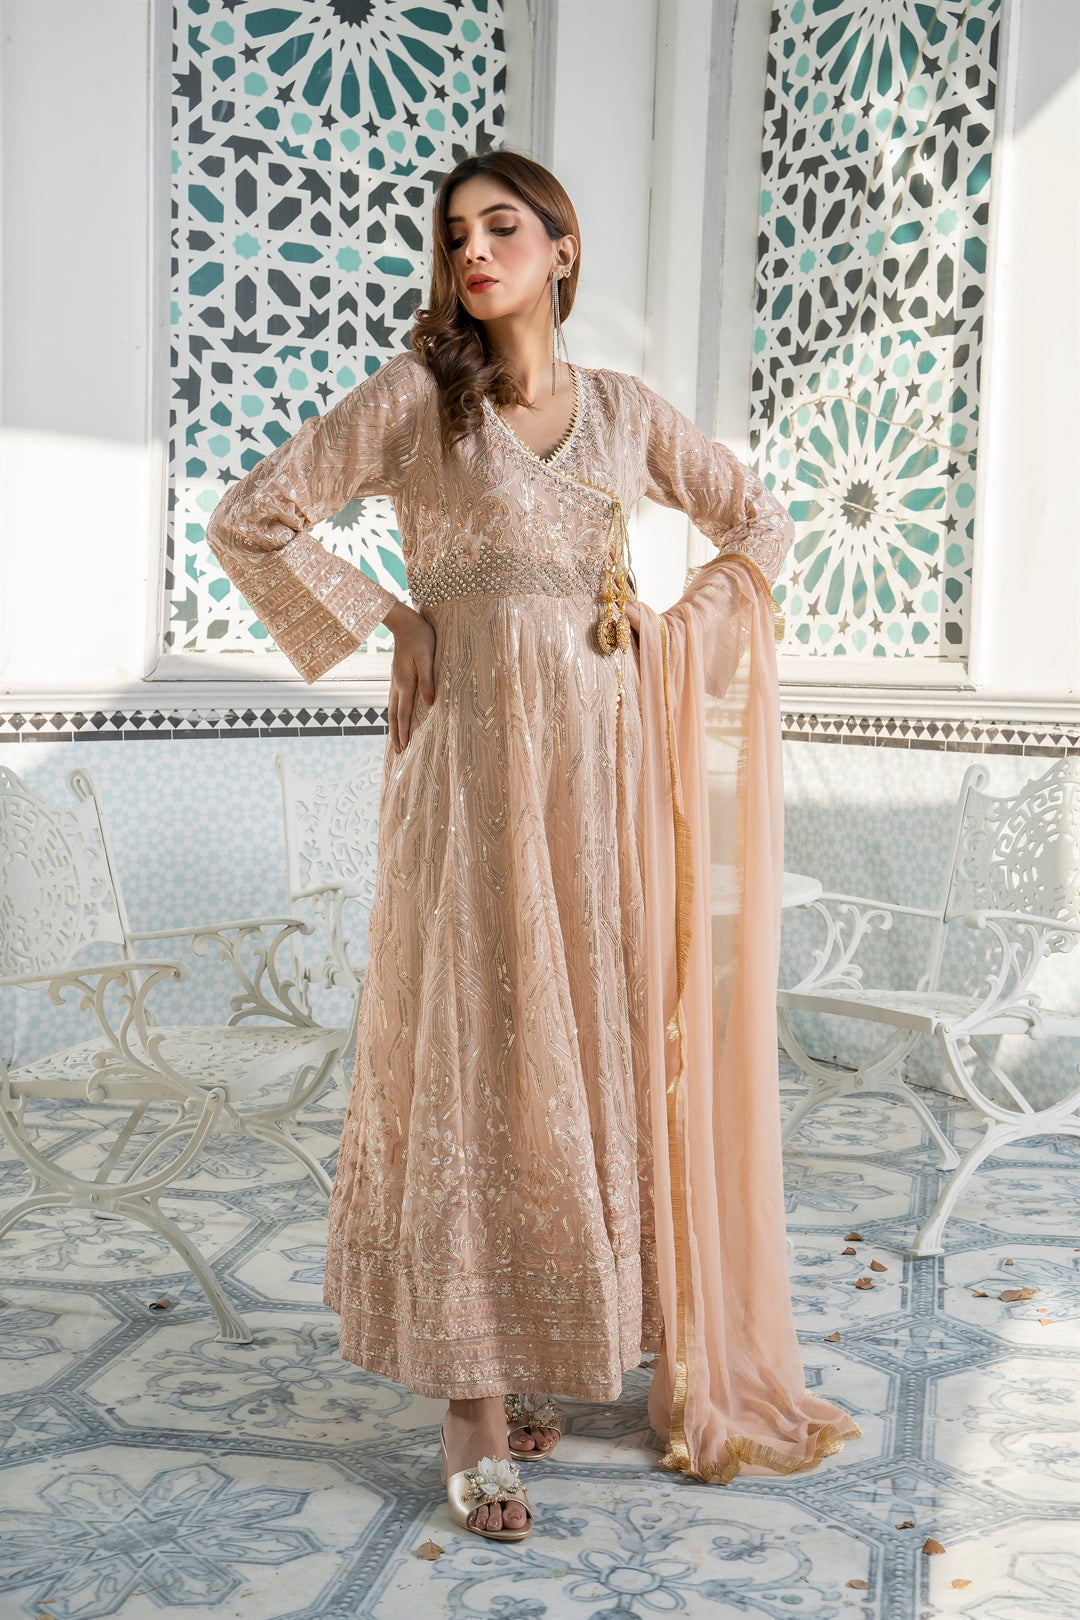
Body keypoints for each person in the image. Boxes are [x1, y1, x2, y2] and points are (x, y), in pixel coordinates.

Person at [207, 150, 861, 1544]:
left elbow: (756, 523)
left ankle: (548, 1348)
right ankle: (471, 1400)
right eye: (455, 234)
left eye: (503, 227)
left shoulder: (622, 413)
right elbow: (250, 517)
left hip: (601, 782)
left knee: (585, 1053)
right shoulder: (417, 401)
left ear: (562, 248)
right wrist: (393, 617)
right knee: (476, 1054)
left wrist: (673, 640)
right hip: (469, 782)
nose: (474, 252)